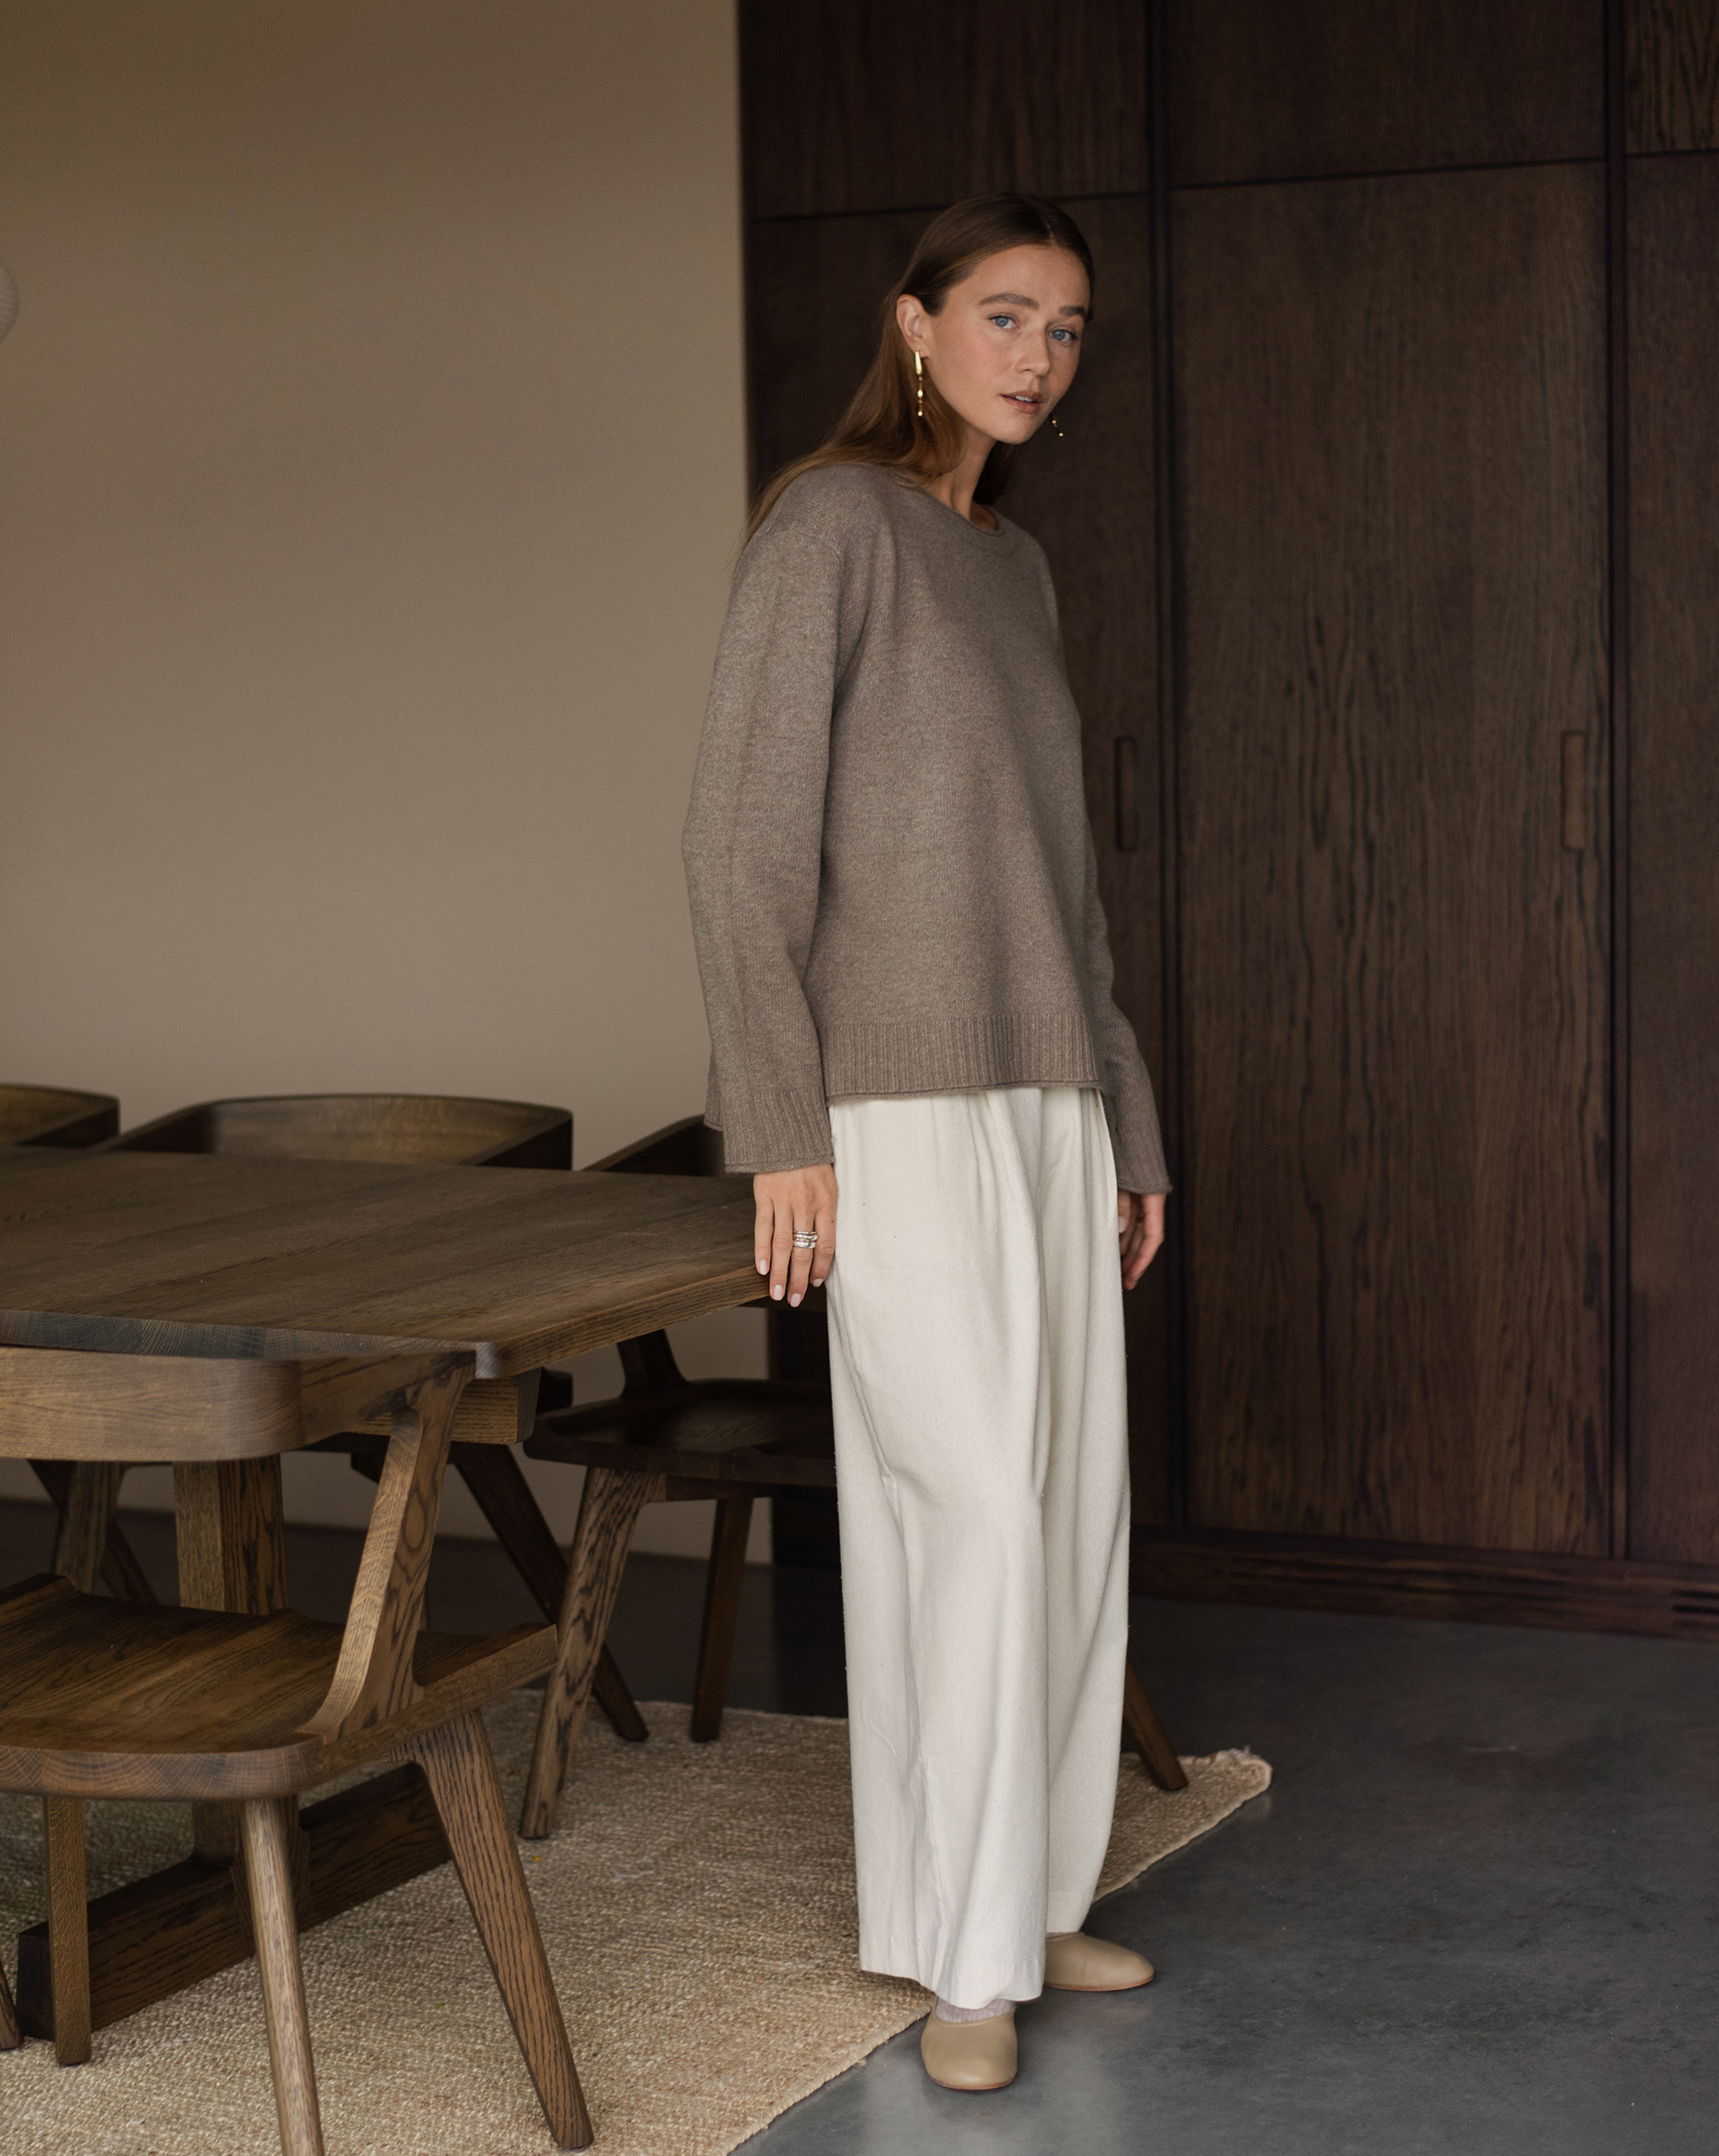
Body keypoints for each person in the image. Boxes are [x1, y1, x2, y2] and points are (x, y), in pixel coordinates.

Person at [682, 193, 1170, 2094]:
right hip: (883, 1110)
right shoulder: (831, 529)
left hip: (1048, 1098)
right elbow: (736, 852)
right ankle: (961, 1961)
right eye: (1002, 314)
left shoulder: (1012, 568)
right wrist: (780, 1129)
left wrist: (1121, 1116)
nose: (1038, 354)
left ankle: (1036, 1891)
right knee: (961, 1512)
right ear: (913, 324)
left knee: (1064, 1508)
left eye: (1064, 325)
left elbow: (1066, 890)